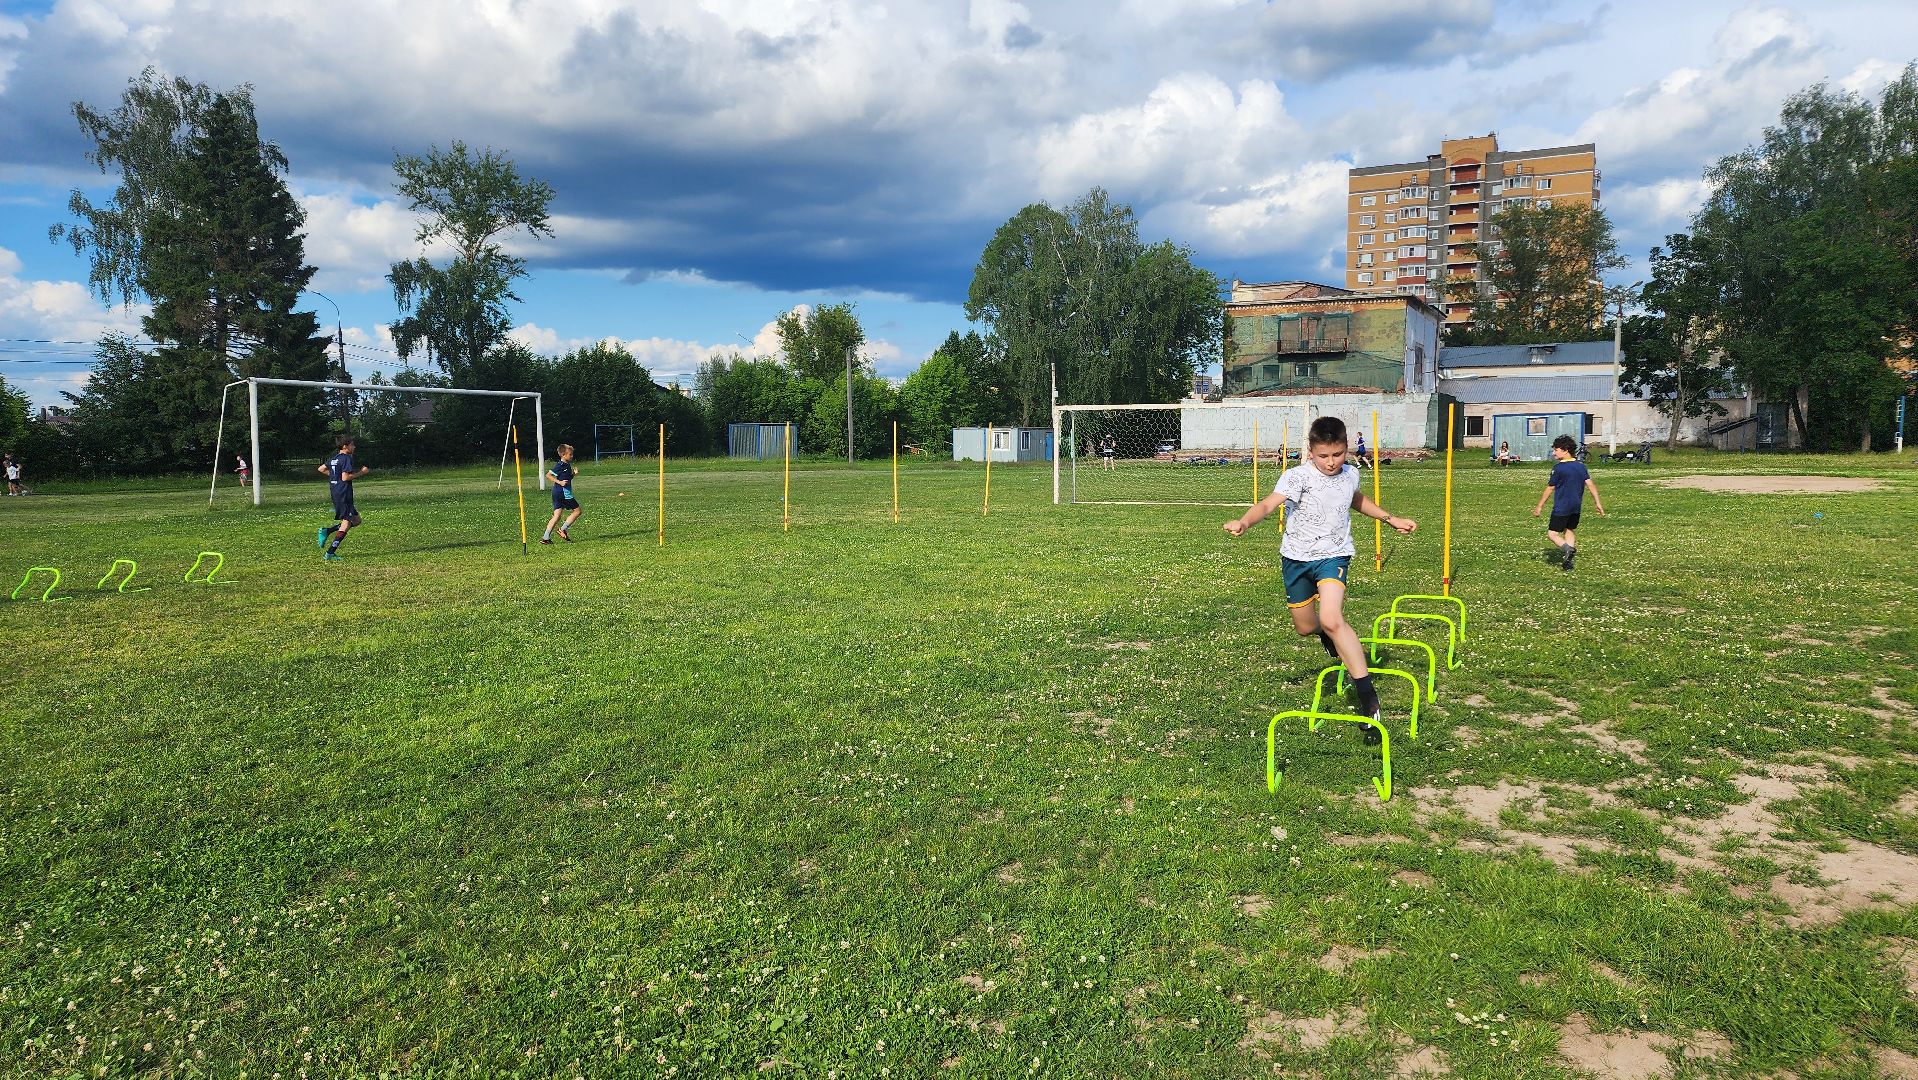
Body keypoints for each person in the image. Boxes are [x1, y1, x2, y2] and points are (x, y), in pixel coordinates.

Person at [1224, 416, 1416, 743]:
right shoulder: (1296, 477)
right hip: (1296, 559)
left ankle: (1368, 699)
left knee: (1331, 617)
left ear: (1346, 449)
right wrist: (1244, 522)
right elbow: (1269, 504)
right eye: (1324, 456)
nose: (1331, 462)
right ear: (1311, 451)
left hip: (1334, 555)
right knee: (1305, 626)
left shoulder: (1351, 473)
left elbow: (1356, 499)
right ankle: (1328, 635)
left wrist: (1390, 518)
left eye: (1338, 454)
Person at [1533, 434, 1605, 571]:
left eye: (1556, 450)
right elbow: (1590, 485)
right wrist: (1598, 503)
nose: (1554, 453)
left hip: (1562, 507)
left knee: (1552, 534)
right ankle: (1568, 561)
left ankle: (1567, 548)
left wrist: (1539, 506)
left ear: (1565, 450)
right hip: (1576, 507)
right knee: (1569, 529)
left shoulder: (1558, 468)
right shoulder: (1581, 466)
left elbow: (1550, 488)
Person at [315, 437, 369, 561]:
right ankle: (330, 553)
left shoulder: (335, 458)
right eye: (352, 445)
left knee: (356, 520)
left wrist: (335, 476)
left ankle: (327, 531)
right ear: (345, 446)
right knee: (347, 521)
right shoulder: (346, 458)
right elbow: (345, 478)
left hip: (336, 492)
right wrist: (361, 472)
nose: (354, 447)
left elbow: (321, 468)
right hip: (343, 493)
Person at [542, 443, 581, 544]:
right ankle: (563, 529)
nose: (572, 456)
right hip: (563, 493)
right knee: (577, 511)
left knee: (557, 516)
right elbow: (548, 475)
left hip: (557, 493)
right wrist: (560, 482)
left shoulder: (567, 465)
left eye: (572, 454)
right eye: (570, 454)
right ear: (563, 455)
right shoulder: (561, 465)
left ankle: (546, 538)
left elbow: (566, 479)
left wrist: (573, 474)